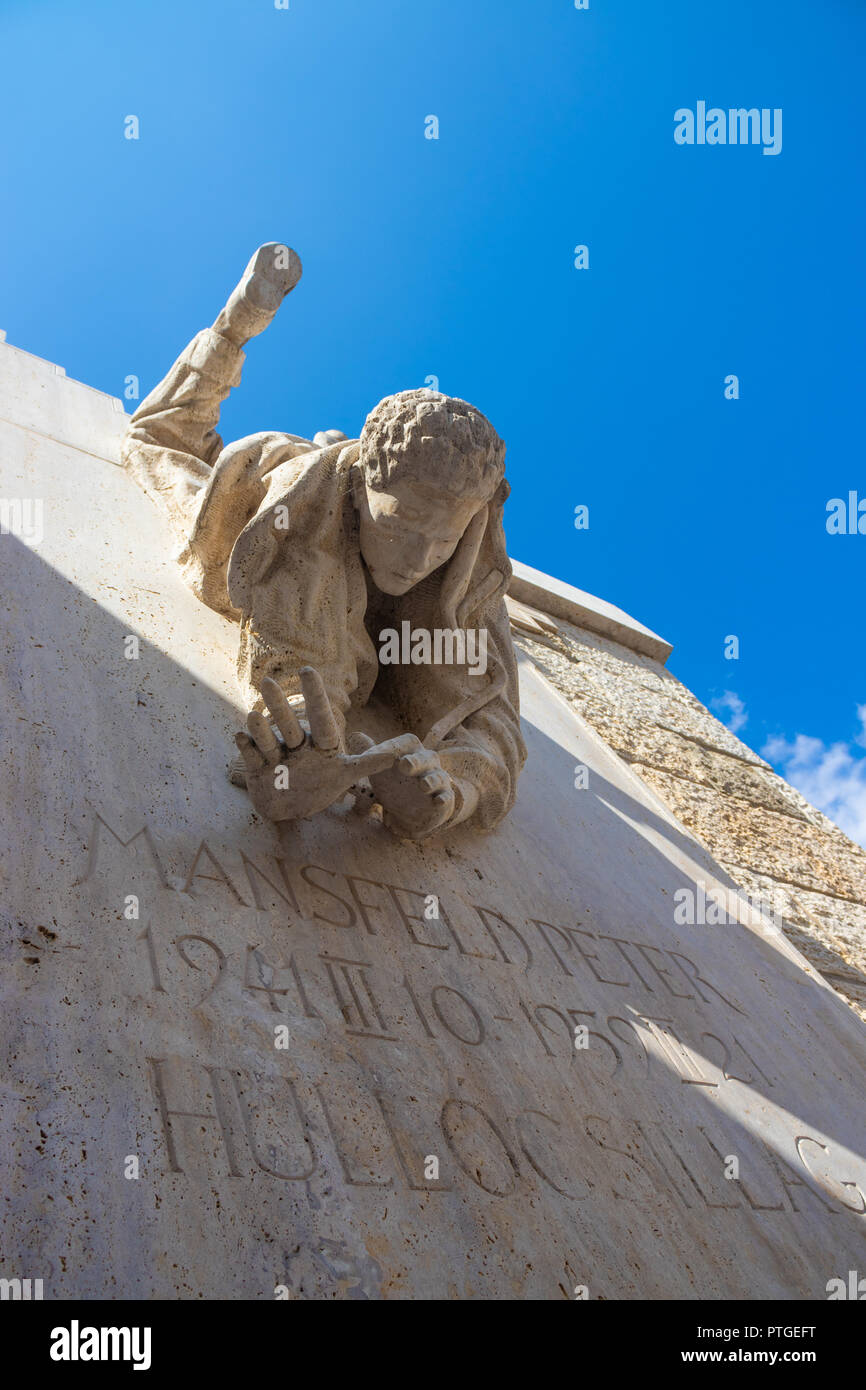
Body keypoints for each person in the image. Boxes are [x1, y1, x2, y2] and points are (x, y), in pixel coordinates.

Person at [123, 244, 526, 839]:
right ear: (361, 491)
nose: (418, 561)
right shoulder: (293, 510)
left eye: (440, 542)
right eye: (400, 528)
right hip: (270, 495)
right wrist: (302, 760)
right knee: (160, 444)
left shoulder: (469, 574)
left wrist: (451, 793)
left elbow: (489, 718)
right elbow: (291, 658)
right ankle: (235, 326)